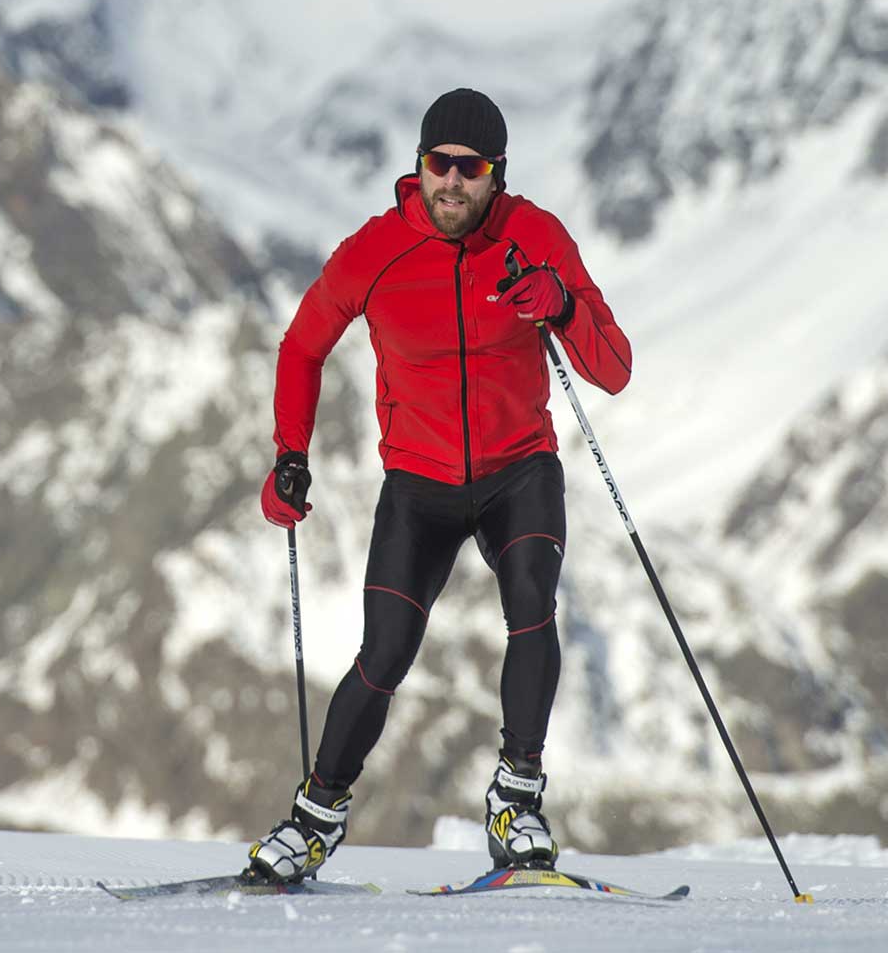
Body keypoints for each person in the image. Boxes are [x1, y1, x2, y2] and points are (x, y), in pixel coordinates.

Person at [245, 87, 633, 882]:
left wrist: (560, 304)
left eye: (471, 168)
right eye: (438, 164)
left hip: (518, 469)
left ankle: (516, 799)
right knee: (384, 652)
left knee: (533, 601)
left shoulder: (534, 236)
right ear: (418, 166)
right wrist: (291, 454)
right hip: (418, 485)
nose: (452, 182)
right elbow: (303, 346)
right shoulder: (376, 250)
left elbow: (614, 368)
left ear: (497, 174)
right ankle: (315, 817)